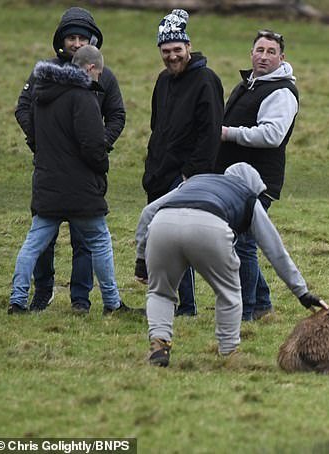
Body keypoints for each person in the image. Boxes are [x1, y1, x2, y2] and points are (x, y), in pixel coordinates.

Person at [134, 163, 328, 366]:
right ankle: (228, 352)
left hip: (163, 224)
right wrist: (302, 293)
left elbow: (148, 211)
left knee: (160, 292)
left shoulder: (193, 182)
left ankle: (160, 344)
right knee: (228, 293)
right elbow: (275, 250)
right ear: (253, 186)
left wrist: (141, 261)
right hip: (209, 227)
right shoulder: (248, 196)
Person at [8, 46, 141, 317]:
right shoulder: (83, 97)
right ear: (90, 68)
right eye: (99, 73)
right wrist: (103, 166)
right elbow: (92, 145)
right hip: (82, 190)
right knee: (100, 241)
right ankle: (112, 303)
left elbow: (33, 131)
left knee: (33, 244)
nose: (99, 78)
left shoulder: (42, 94)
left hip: (47, 186)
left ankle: (17, 300)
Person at [142, 9, 224, 317]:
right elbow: (156, 126)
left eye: (177, 50)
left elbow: (210, 134)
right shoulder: (163, 81)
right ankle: (168, 302)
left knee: (178, 241)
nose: (172, 56)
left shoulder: (206, 81)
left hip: (185, 178)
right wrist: (152, 167)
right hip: (159, 174)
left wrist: (191, 175)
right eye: (166, 51)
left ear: (188, 47)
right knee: (159, 244)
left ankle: (186, 306)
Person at [215, 29, 299, 322]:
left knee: (243, 244)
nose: (263, 56)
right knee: (241, 241)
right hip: (235, 179)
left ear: (281, 58)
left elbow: (272, 135)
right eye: (259, 50)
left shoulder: (282, 92)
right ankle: (261, 304)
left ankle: (247, 312)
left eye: (270, 52)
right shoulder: (249, 84)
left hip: (258, 181)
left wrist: (228, 133)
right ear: (251, 53)